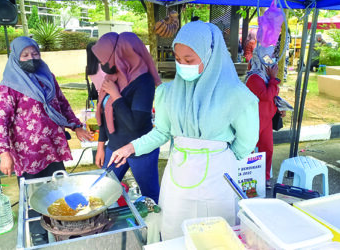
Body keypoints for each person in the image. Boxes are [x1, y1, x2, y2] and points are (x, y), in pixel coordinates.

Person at [107, 21, 259, 240]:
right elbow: (162, 132)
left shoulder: (236, 95)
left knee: (216, 236)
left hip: (218, 178)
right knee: (175, 231)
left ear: (210, 55)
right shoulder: (168, 93)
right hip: (178, 176)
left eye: (189, 60)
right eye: (178, 60)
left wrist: (222, 157)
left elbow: (246, 141)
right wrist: (131, 147)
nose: (182, 66)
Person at [0, 36, 93, 182]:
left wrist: (76, 126)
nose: (31, 58)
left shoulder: (47, 77)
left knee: (59, 189)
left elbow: (62, 104)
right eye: (25, 55)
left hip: (53, 147)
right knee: (34, 195)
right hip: (28, 153)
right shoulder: (9, 86)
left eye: (35, 54)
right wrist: (4, 154)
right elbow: (1, 122)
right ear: (15, 57)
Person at [91, 32, 162, 203]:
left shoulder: (143, 81)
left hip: (140, 149)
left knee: (150, 197)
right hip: (114, 147)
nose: (102, 65)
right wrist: (101, 146)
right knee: (102, 193)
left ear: (119, 55)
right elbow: (103, 114)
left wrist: (116, 96)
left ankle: (155, 229)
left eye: (103, 60)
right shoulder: (112, 75)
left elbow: (135, 125)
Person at [245, 48, 283, 189]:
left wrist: (279, 107)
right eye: (268, 57)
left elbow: (271, 97)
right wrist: (273, 79)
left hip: (266, 119)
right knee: (248, 149)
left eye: (272, 57)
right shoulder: (254, 77)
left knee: (267, 149)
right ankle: (248, 178)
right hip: (254, 120)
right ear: (260, 58)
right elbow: (266, 95)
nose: (271, 60)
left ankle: (264, 178)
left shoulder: (266, 77)